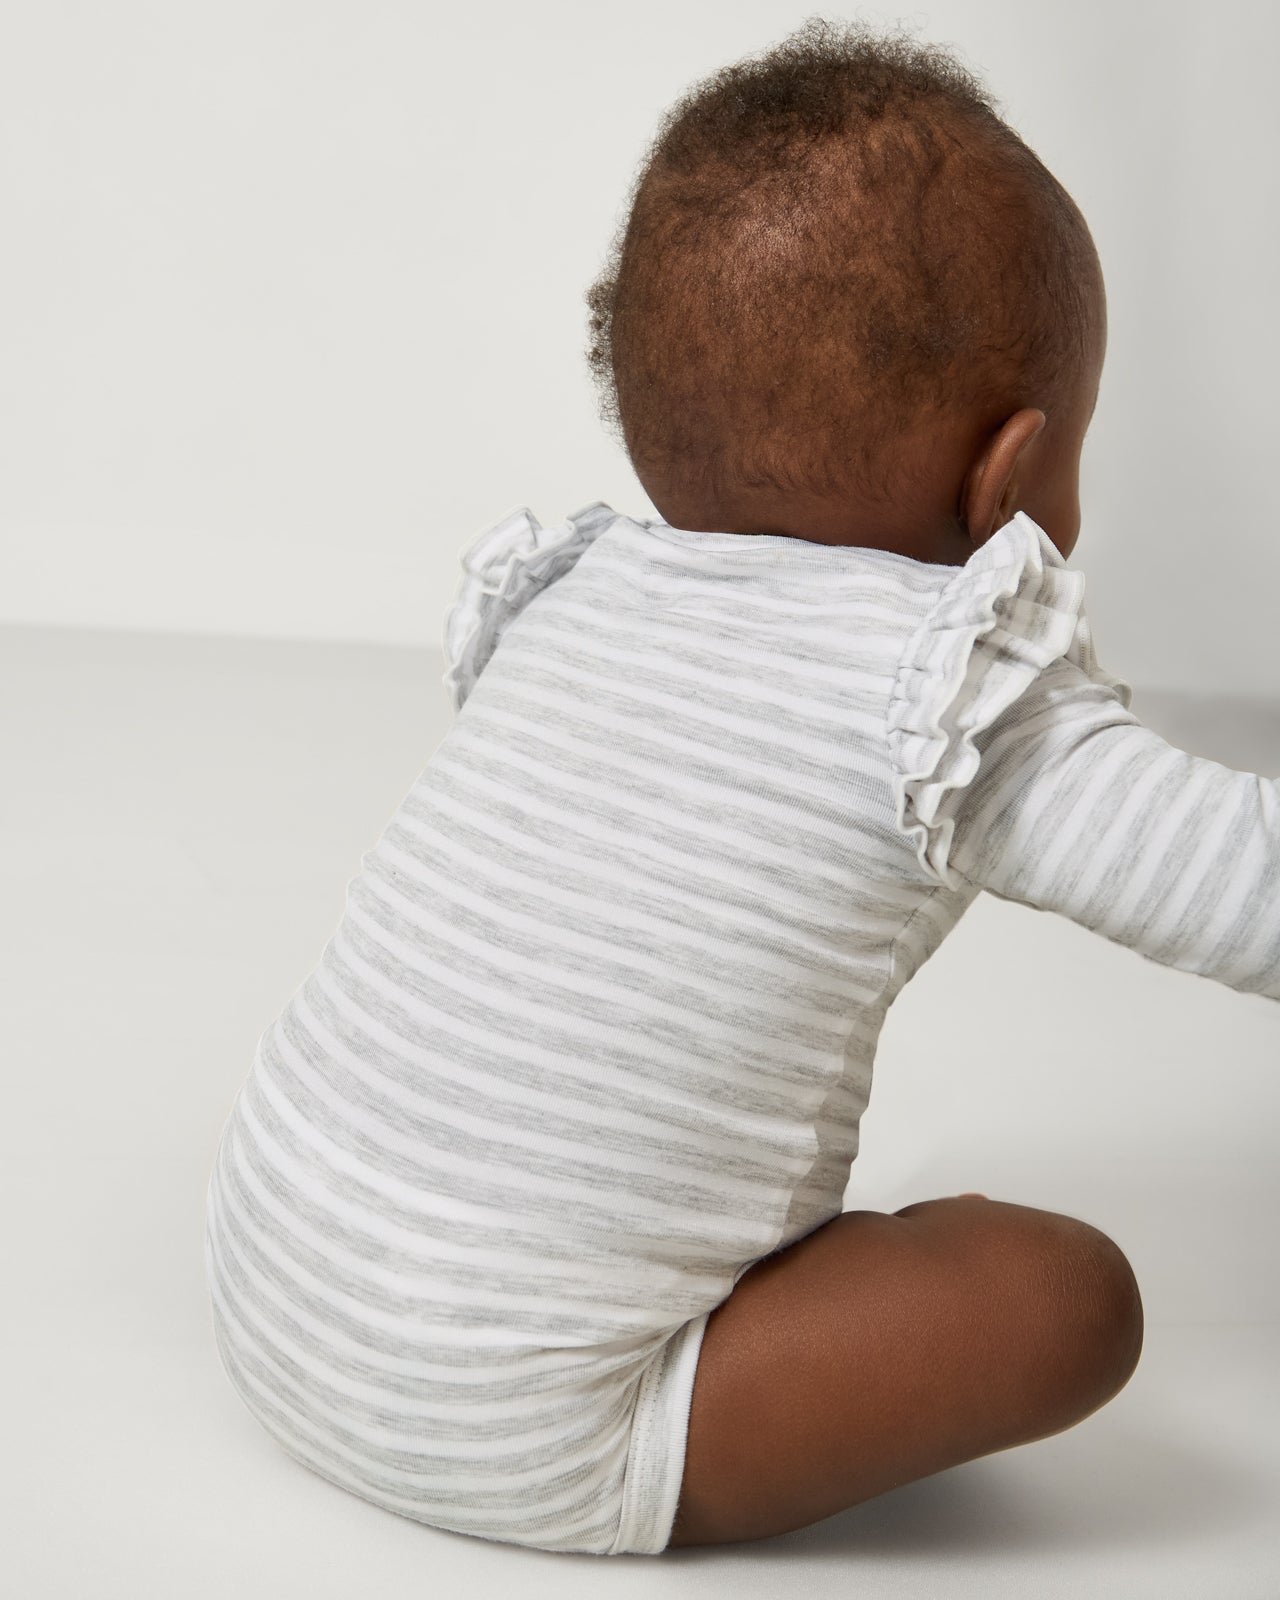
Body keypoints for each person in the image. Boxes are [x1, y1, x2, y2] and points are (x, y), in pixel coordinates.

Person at [204, 18, 1280, 1559]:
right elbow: (1247, 886)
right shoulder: (937, 689)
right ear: (1011, 477)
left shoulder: (574, 596)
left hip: (270, 1277)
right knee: (1070, 1303)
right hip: (534, 1423)